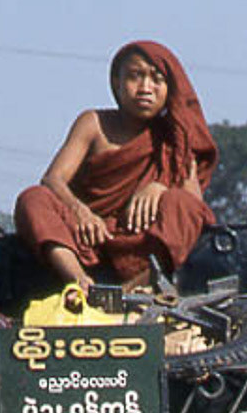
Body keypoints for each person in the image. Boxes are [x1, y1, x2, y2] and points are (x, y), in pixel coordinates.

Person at [14, 41, 217, 293]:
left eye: (156, 79)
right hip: (88, 237)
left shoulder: (176, 140)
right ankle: (81, 283)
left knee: (183, 205)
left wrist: (160, 188)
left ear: (170, 89)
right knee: (33, 198)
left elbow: (194, 208)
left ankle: (129, 292)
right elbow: (53, 179)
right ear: (116, 82)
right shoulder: (93, 123)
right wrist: (81, 211)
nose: (145, 88)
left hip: (140, 244)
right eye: (135, 76)